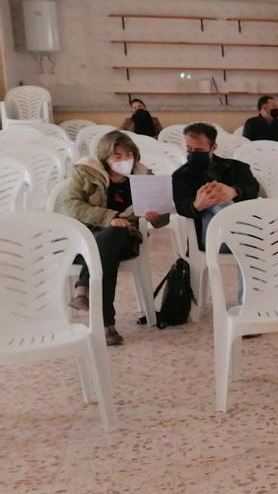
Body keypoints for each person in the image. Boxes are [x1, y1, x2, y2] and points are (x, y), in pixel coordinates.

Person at [57, 130, 168, 346]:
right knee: (106, 254)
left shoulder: (144, 176)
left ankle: (84, 288)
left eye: (129, 154)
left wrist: (156, 217)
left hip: (126, 238)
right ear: (105, 157)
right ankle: (107, 324)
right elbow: (70, 205)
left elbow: (162, 217)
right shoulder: (86, 173)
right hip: (86, 239)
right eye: (117, 156)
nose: (125, 160)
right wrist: (110, 217)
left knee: (116, 235)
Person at [172, 122, 260, 252]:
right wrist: (197, 205)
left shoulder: (237, 168)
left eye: (199, 150)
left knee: (219, 197)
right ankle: (247, 238)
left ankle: (241, 236)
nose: (193, 153)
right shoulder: (181, 176)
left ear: (213, 147)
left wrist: (234, 191)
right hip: (209, 237)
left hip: (236, 231)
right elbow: (181, 206)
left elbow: (253, 189)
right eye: (189, 149)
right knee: (213, 197)